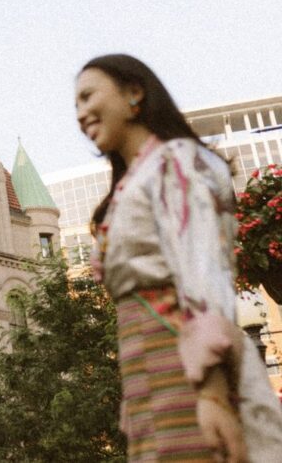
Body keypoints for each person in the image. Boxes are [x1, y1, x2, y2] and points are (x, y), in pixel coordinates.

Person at [79, 54, 282, 462]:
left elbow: (202, 271)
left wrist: (212, 394)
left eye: (88, 96)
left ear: (134, 93)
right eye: (76, 105)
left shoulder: (178, 162)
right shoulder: (136, 179)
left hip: (186, 367)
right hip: (146, 371)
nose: (81, 113)